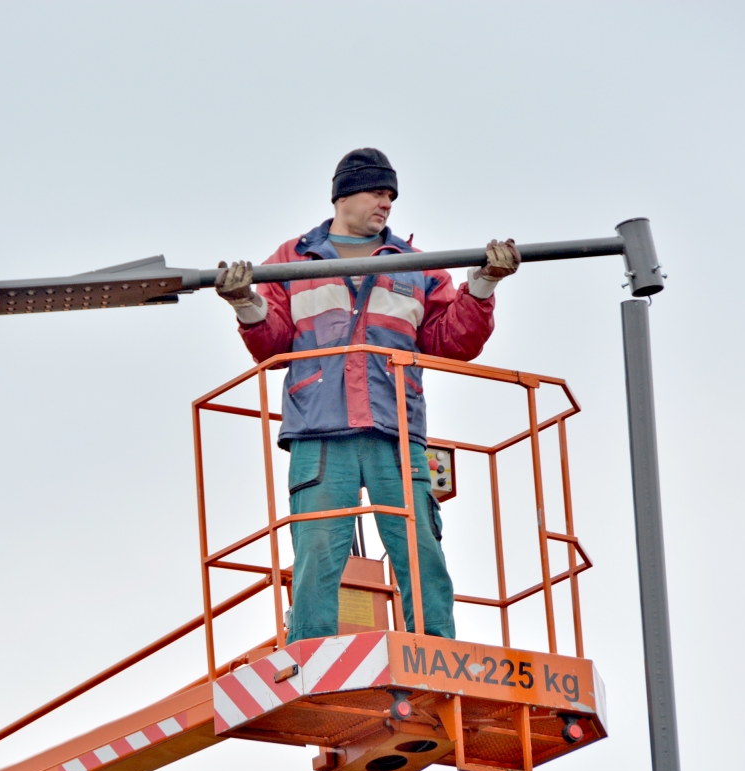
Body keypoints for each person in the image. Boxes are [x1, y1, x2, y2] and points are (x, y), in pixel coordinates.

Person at [215, 148, 520, 644]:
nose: (387, 204)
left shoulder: (417, 266)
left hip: (393, 429)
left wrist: (482, 286)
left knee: (420, 549)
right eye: (378, 192)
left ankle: (435, 650)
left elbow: (451, 342)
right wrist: (246, 303)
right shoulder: (292, 260)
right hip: (321, 432)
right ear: (344, 195)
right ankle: (310, 653)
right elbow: (270, 341)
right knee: (316, 550)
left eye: (391, 196)